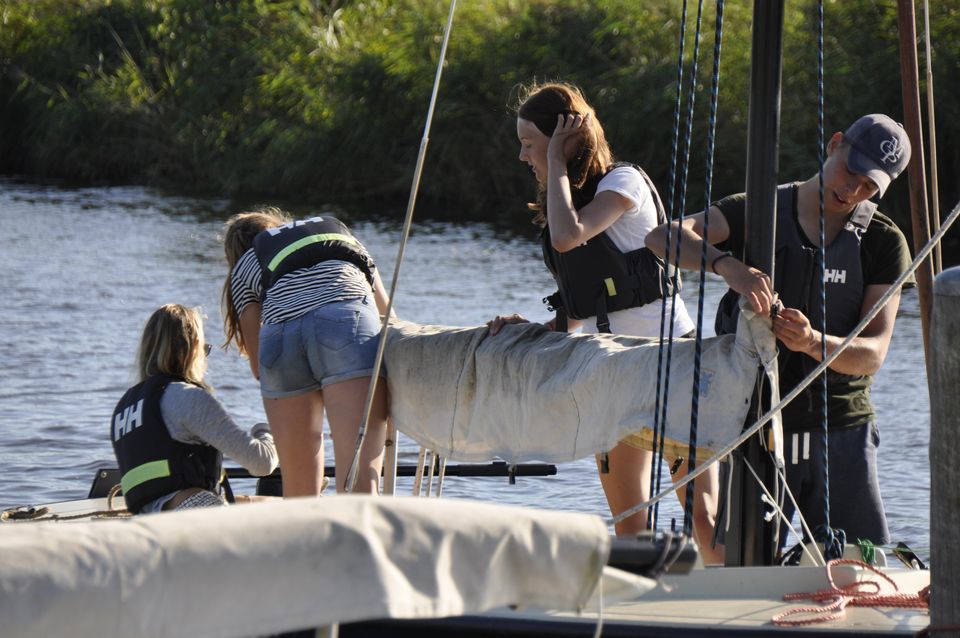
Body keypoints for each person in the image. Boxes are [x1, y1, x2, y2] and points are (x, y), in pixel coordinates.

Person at [645, 113, 914, 548]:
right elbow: (662, 237)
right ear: (835, 144)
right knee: (743, 565)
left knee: (860, 566)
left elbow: (873, 354)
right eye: (852, 171)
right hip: (757, 426)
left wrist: (812, 342)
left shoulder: (884, 240)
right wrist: (728, 266)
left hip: (841, 429)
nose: (852, 189)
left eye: (869, 186)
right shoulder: (757, 210)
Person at [487, 81, 722, 562]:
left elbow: (568, 237)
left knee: (703, 517)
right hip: (611, 373)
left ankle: (741, 590)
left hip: (671, 363)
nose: (522, 155)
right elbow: (579, 312)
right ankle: (646, 600)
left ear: (564, 140)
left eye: (530, 143)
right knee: (629, 524)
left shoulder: (623, 183)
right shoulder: (565, 202)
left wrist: (555, 163)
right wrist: (532, 329)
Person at [222, 208, 391, 497]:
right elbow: (389, 317)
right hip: (345, 321)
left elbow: (259, 366)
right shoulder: (338, 233)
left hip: (281, 339)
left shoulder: (244, 267)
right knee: (358, 486)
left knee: (299, 495)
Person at [111, 303, 279, 514]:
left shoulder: (124, 409)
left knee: (270, 503)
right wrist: (268, 431)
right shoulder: (186, 397)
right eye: (204, 350)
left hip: (148, 519)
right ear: (192, 349)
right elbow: (262, 463)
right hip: (192, 510)